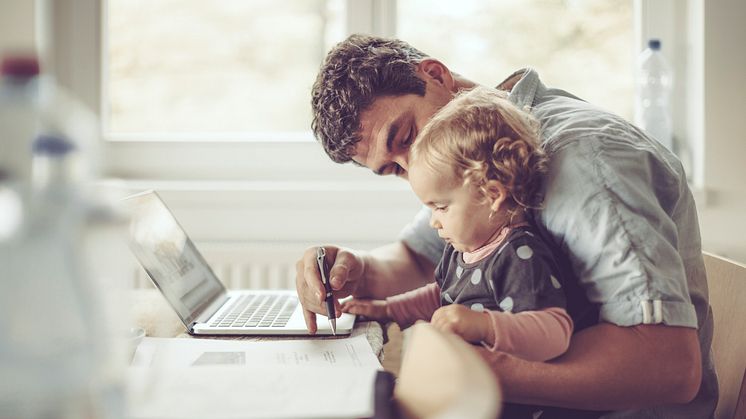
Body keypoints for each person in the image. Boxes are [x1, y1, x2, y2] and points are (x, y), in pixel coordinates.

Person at [297, 34, 713, 418]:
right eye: (393, 170)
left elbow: (670, 364)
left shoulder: (581, 159)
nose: (413, 168)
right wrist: (356, 271)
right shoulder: (472, 148)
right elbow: (420, 256)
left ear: (436, 74)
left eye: (405, 136)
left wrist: (477, 369)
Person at [341, 86, 575, 362]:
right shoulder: (462, 250)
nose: (433, 222)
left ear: (492, 194)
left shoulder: (519, 255)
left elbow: (556, 331)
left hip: (512, 400)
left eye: (441, 207)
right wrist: (388, 310)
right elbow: (441, 296)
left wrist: (484, 325)